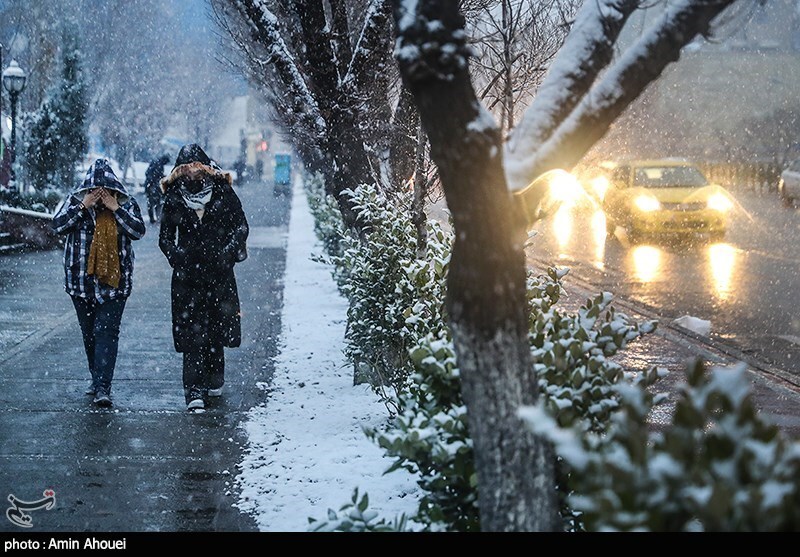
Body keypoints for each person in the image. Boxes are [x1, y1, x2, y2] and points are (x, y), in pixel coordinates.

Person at [158, 144, 249, 412]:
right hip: (187, 278)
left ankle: (214, 377)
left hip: (219, 275)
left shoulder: (222, 192)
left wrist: (226, 253)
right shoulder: (174, 196)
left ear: (206, 167)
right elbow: (165, 238)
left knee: (216, 329)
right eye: (186, 167)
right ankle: (194, 390)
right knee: (192, 332)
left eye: (196, 166)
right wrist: (179, 257)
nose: (192, 172)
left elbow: (241, 226)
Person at [51, 159, 146, 407]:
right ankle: (97, 378)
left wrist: (116, 209)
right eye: (95, 190)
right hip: (80, 284)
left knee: (106, 332)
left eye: (105, 190)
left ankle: (103, 386)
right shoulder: (75, 202)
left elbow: (138, 231)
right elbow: (57, 226)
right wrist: (83, 206)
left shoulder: (126, 204)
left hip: (115, 285)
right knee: (89, 334)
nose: (100, 194)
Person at [144, 154, 170, 223]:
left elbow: (147, 173)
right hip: (153, 186)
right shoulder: (159, 165)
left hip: (148, 185)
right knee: (156, 202)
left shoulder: (155, 162)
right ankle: (157, 218)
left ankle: (152, 218)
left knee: (150, 203)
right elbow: (157, 176)